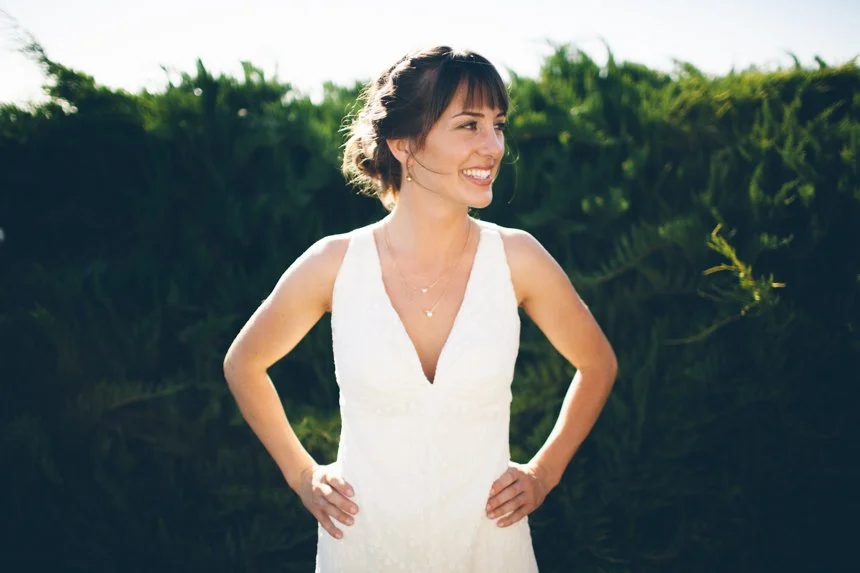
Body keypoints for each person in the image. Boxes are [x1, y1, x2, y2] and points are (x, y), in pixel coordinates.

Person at [223, 45, 618, 572]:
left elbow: (597, 365)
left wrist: (544, 473)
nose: (493, 146)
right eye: (469, 126)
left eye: (498, 126)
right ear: (404, 143)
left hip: (490, 547)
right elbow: (244, 364)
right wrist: (303, 475)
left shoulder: (517, 258)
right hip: (364, 546)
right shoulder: (333, 264)